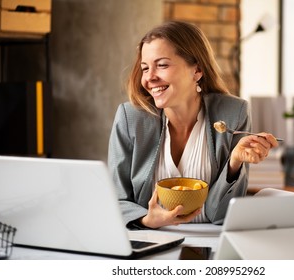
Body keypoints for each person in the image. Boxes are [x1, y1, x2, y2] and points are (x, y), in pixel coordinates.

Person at [108, 21, 278, 229]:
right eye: (145, 68)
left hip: (210, 247)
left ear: (196, 70)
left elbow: (221, 215)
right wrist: (145, 220)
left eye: (162, 65)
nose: (150, 77)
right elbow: (116, 199)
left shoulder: (234, 113)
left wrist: (234, 163)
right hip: (147, 240)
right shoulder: (131, 117)